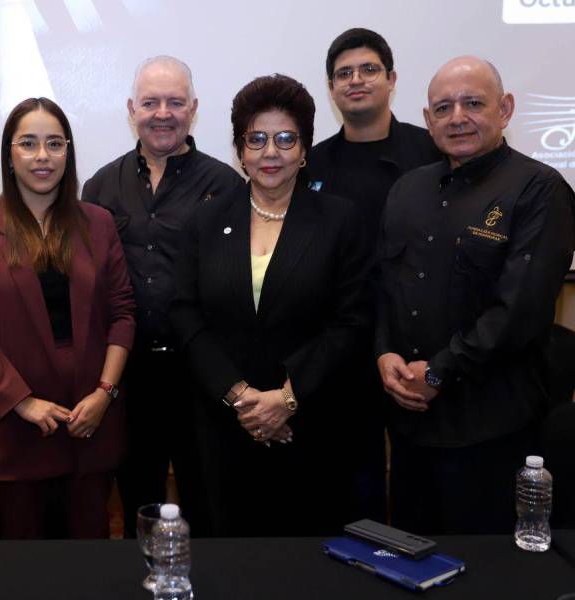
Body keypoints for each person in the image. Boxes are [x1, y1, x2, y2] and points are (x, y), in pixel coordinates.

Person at [376, 56, 575, 534]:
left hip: (491, 429)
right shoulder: (407, 189)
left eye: (473, 103)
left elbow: (520, 310)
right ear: (427, 120)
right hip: (411, 426)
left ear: (504, 109)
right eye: (443, 108)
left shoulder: (540, 190)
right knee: (410, 560)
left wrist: (441, 372)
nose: (457, 117)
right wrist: (383, 350)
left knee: (486, 572)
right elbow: (386, 287)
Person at [170, 74, 372, 536]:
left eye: (285, 138)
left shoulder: (340, 220)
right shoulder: (207, 219)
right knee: (229, 556)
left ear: (304, 149)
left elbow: (352, 320)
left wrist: (286, 398)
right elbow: (184, 313)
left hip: (310, 427)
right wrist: (242, 398)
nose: (270, 152)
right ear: (240, 149)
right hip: (224, 425)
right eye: (256, 139)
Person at [0, 97, 135, 539]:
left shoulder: (99, 222)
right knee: (25, 564)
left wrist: (105, 394)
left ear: (68, 153)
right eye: (28, 144)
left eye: (54, 143)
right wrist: (22, 401)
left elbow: (123, 313)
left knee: (90, 558)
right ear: (9, 155)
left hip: (90, 421)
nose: (42, 156)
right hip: (15, 427)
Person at [82, 56, 241, 537]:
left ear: (194, 109)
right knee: (137, 502)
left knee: (208, 500)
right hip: (129, 377)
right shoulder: (101, 186)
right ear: (132, 109)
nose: (163, 113)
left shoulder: (226, 186)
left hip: (202, 375)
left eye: (175, 102)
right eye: (151, 102)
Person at [308, 27, 442, 524]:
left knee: (422, 483)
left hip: (418, 344)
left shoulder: (431, 151)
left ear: (391, 79)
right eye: (344, 73)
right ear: (331, 87)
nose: (356, 81)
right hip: (341, 345)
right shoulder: (313, 162)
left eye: (368, 70)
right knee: (351, 479)